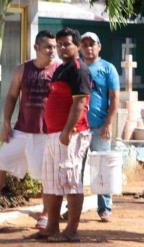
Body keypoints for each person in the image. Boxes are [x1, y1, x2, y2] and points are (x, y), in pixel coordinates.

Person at [34, 27, 91, 242]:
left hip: (72, 135)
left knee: (71, 181)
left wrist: (67, 131)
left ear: (76, 46)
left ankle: (71, 231)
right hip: (54, 134)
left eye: (67, 44)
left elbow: (79, 103)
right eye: (59, 44)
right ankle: (52, 227)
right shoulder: (60, 69)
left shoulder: (79, 69)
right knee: (51, 183)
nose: (62, 48)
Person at [0, 30, 58, 230]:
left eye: (54, 47)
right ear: (36, 48)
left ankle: (45, 214)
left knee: (46, 176)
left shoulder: (59, 70)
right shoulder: (22, 70)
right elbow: (11, 96)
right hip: (22, 131)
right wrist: (6, 122)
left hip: (46, 133)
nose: (52, 51)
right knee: (1, 161)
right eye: (48, 47)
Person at [80, 32, 120, 222]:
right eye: (85, 44)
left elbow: (114, 99)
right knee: (75, 169)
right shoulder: (76, 67)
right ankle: (73, 207)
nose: (88, 48)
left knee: (102, 168)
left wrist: (108, 124)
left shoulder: (107, 68)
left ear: (99, 46)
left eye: (92, 44)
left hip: (99, 127)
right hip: (78, 128)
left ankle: (105, 208)